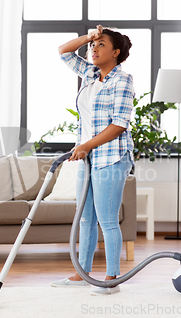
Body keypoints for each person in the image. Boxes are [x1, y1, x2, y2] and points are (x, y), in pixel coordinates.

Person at [50, 25, 135, 295]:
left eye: (101, 45)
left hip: (110, 158)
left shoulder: (123, 80)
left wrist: (86, 145)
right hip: (87, 158)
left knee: (107, 220)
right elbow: (64, 52)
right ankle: (81, 274)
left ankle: (111, 279)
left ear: (116, 52)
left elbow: (119, 124)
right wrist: (89, 36)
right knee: (84, 218)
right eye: (92, 46)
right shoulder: (90, 75)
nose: (94, 50)